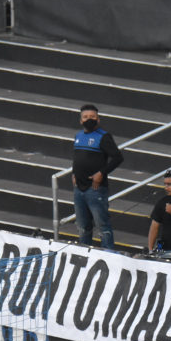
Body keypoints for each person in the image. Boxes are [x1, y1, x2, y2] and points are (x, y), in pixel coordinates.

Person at [70, 104, 123, 250]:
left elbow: (118, 158)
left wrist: (101, 173)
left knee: (103, 227)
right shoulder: (78, 136)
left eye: (92, 117)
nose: (89, 119)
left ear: (98, 119)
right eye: (86, 117)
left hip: (95, 189)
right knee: (82, 227)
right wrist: (74, 173)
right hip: (78, 189)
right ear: (81, 120)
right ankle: (84, 254)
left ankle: (108, 254)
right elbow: (77, 157)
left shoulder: (104, 137)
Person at [147, 169, 171, 253]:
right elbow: (154, 227)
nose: (166, 188)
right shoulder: (162, 202)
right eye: (165, 184)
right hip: (165, 249)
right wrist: (150, 249)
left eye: (169, 184)